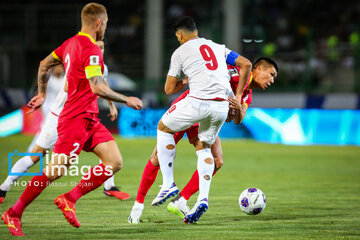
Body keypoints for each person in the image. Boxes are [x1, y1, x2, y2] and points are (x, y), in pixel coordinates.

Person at [1, 3, 142, 236]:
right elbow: (97, 87)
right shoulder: (91, 50)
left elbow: (44, 64)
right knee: (53, 171)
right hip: (74, 118)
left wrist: (42, 92)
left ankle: (69, 198)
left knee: (114, 162)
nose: (105, 27)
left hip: (90, 119)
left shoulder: (70, 43)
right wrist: (126, 99)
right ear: (98, 23)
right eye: (105, 23)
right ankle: (14, 212)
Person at [128, 58, 278, 223]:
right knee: (157, 158)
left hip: (206, 117)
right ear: (257, 69)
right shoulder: (234, 72)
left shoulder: (247, 95)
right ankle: (137, 207)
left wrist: (237, 104)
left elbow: (237, 119)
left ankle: (180, 201)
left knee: (217, 160)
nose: (272, 80)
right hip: (190, 107)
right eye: (271, 74)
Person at [0, 41, 129, 204]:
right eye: (97, 47)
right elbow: (74, 87)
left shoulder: (102, 67)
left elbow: (103, 86)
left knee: (108, 153)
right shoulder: (79, 63)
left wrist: (111, 105)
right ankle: (5, 187)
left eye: (102, 48)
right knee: (38, 157)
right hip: (60, 117)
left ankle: (107, 187)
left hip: (81, 119)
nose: (99, 50)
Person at [151, 16, 252, 224]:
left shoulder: (179, 52)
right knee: (204, 148)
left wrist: (184, 80)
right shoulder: (217, 47)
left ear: (180, 35)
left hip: (198, 101)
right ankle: (203, 198)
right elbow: (246, 64)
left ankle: (168, 183)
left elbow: (169, 89)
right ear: (196, 31)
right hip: (221, 107)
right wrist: (239, 96)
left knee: (163, 128)